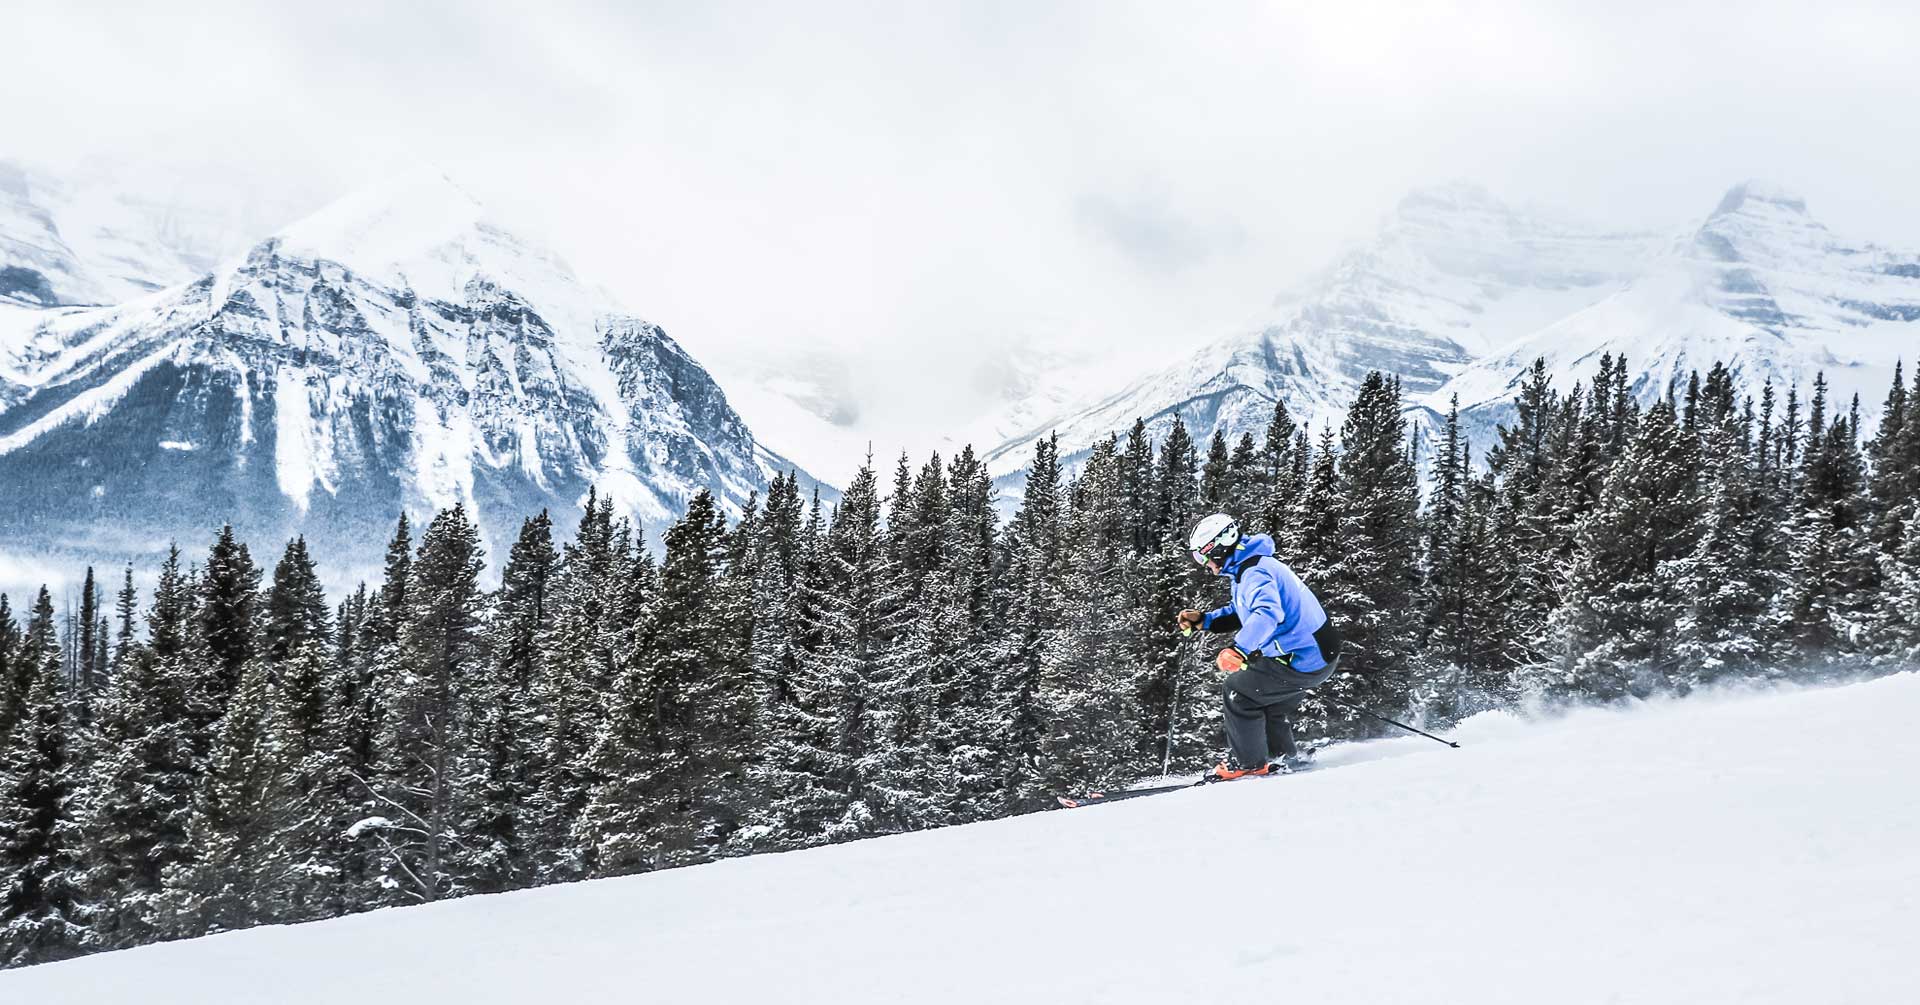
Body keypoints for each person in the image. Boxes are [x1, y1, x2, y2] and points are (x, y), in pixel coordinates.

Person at [1176, 512, 1342, 780]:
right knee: (1268, 702)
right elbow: (1244, 610)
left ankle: (1249, 763)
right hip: (1315, 652)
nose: (1203, 564)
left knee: (1239, 692)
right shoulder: (1249, 566)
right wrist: (1205, 621)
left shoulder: (1254, 571)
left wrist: (1238, 649)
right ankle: (1282, 757)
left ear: (1218, 548)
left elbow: (1266, 613)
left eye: (1202, 556)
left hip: (1305, 657)